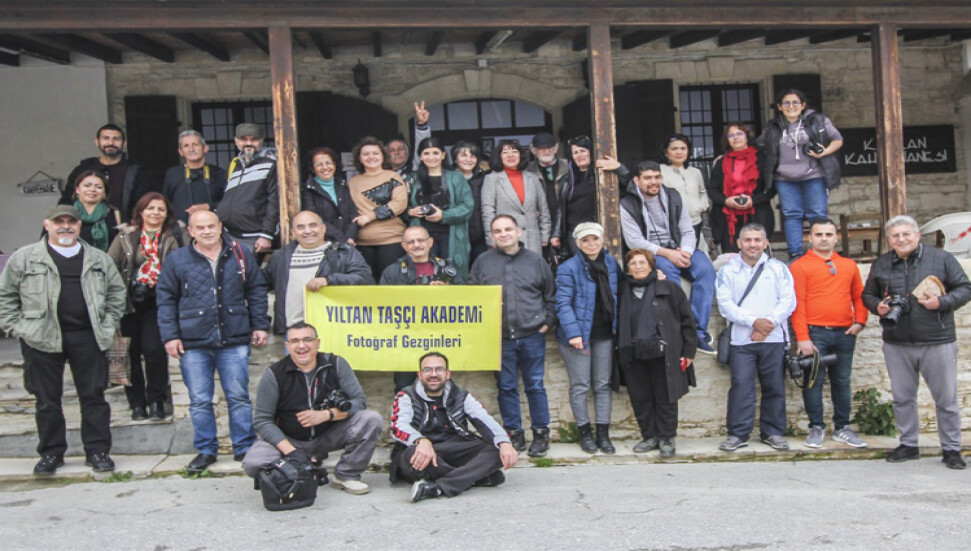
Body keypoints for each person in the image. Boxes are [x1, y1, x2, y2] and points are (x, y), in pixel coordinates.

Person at [0, 205, 126, 475]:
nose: (65, 226)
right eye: (59, 221)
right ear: (47, 224)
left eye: (71, 221)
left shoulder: (98, 258)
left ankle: (98, 451)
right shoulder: (25, 258)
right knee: (47, 400)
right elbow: (5, 296)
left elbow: (117, 294)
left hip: (88, 337)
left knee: (93, 397)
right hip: (41, 338)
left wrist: (107, 325)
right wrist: (17, 328)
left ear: (79, 226)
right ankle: (51, 453)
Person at [156, 210, 269, 474]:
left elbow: (256, 289)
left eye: (211, 226)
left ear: (220, 227)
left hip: (234, 336)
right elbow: (165, 299)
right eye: (200, 227)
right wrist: (170, 335)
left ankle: (244, 446)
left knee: (239, 396)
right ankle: (206, 449)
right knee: (199, 399)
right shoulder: (176, 259)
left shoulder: (240, 253)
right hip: (193, 340)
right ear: (191, 232)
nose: (206, 231)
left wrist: (260, 324)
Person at [862, 215, 971, 469]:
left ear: (917, 235)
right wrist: (877, 306)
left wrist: (940, 303)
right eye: (895, 236)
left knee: (946, 398)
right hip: (897, 341)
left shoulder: (941, 259)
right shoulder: (881, 263)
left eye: (906, 234)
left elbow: (965, 288)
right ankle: (909, 444)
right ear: (889, 239)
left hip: (937, 340)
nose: (901, 239)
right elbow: (868, 294)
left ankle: (952, 449)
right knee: (902, 397)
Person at [242, 322, 384, 494]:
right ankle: (301, 468)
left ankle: (346, 475)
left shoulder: (337, 364)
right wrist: (292, 452)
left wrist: (327, 415)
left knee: (371, 419)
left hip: (328, 435)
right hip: (289, 439)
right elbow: (262, 421)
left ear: (317, 343)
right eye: (295, 341)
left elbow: (359, 402)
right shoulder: (274, 374)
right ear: (288, 346)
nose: (302, 346)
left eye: (307, 340)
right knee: (253, 463)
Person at [469, 215, 555, 457]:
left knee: (535, 385)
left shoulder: (536, 261)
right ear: (492, 236)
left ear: (518, 232)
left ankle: (541, 433)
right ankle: (513, 434)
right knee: (506, 387)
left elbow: (550, 295)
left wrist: (547, 322)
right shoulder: (482, 262)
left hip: (532, 335)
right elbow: (473, 297)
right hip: (500, 338)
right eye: (498, 231)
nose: (503, 234)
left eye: (508, 229)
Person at [390, 351, 519, 502]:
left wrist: (505, 443)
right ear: (419, 375)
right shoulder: (406, 395)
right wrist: (421, 441)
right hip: (421, 451)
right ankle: (474, 477)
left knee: (498, 448)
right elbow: (398, 427)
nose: (433, 374)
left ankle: (438, 488)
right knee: (412, 454)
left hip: (455, 449)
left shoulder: (461, 396)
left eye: (439, 369)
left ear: (448, 374)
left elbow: (485, 420)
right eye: (427, 370)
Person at [620, 160, 716, 354]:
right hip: (653, 252)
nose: (653, 182)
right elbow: (634, 241)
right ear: (637, 181)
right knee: (669, 277)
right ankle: (678, 330)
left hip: (680, 247)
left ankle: (697, 331)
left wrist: (687, 252)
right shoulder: (627, 203)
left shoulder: (673, 196)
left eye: (657, 177)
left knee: (706, 270)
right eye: (647, 178)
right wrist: (668, 253)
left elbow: (688, 230)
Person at [716, 223, 796, 452]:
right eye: (748, 240)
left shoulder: (779, 269)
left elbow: (789, 301)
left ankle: (773, 432)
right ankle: (738, 434)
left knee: (774, 386)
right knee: (741, 386)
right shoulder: (727, 271)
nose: (752, 244)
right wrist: (753, 322)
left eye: (757, 240)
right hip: (742, 340)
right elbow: (725, 305)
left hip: (773, 338)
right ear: (739, 243)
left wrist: (768, 323)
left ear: (765, 243)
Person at [790, 218, 869, 449]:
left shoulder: (848, 265)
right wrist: (803, 337)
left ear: (836, 237)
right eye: (819, 234)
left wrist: (860, 321)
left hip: (845, 332)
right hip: (815, 333)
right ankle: (816, 426)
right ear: (810, 238)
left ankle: (842, 427)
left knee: (842, 381)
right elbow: (799, 303)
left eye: (828, 234)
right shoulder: (800, 266)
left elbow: (858, 295)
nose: (824, 239)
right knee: (813, 381)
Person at [107, 192, 185, 421]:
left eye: (160, 209)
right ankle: (136, 403)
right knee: (126, 353)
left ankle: (157, 400)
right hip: (128, 302)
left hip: (159, 302)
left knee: (154, 350)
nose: (155, 213)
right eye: (150, 208)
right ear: (140, 211)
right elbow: (110, 265)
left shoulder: (175, 235)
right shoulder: (125, 236)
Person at [617, 248, 697, 457]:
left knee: (665, 396)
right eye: (633, 264)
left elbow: (687, 321)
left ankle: (667, 437)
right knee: (640, 397)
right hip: (633, 353)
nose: (638, 267)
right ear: (628, 268)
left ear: (652, 265)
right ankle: (650, 436)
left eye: (642, 263)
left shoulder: (668, 288)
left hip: (663, 353)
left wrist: (688, 352)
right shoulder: (621, 290)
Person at [554, 222, 620, 454]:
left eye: (594, 239)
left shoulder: (611, 264)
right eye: (585, 240)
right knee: (581, 385)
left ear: (602, 239)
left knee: (602, 385)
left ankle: (603, 432)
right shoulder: (568, 268)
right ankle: (585, 433)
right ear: (577, 243)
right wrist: (573, 333)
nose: (591, 244)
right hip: (578, 336)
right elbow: (562, 303)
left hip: (604, 333)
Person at [757, 88, 843, 260]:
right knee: (791, 215)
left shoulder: (817, 121)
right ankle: (795, 254)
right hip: (785, 178)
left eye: (795, 102)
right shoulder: (773, 127)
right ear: (780, 107)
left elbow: (838, 139)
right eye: (786, 103)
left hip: (814, 176)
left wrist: (823, 152)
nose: (791, 106)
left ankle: (821, 253)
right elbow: (759, 146)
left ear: (803, 105)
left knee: (817, 214)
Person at [263, 210, 372, 338]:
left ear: (323, 228)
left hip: (335, 331)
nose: (308, 231)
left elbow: (365, 278)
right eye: (301, 227)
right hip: (295, 334)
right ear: (293, 233)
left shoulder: (344, 252)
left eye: (313, 225)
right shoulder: (280, 257)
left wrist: (329, 280)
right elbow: (259, 286)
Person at [380, 225, 463, 392]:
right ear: (404, 246)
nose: (416, 245)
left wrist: (449, 291)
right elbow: (381, 305)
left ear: (430, 242)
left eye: (421, 240)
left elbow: (467, 301)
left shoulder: (445, 268)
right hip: (405, 340)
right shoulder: (393, 271)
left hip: (440, 338)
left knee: (440, 385)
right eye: (411, 242)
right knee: (404, 387)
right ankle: (405, 418)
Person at [406, 136, 475, 280]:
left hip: (450, 235)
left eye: (435, 153)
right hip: (422, 237)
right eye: (426, 153)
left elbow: (468, 206)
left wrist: (444, 215)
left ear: (443, 155)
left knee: (452, 275)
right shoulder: (412, 179)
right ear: (420, 156)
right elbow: (399, 207)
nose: (431, 157)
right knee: (424, 276)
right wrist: (409, 211)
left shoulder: (456, 177)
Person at [550, 135, 631, 255]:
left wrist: (619, 168)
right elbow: (560, 209)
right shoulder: (567, 180)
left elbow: (630, 185)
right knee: (581, 268)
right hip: (575, 232)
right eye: (575, 152)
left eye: (583, 151)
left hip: (601, 230)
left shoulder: (604, 176)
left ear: (591, 153)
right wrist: (556, 233)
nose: (579, 155)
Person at [347, 136, 409, 281]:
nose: (371, 157)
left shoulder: (393, 177)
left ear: (383, 156)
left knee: (390, 286)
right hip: (362, 243)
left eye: (375, 153)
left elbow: (399, 204)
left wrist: (369, 217)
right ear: (360, 158)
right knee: (367, 286)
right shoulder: (352, 182)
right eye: (366, 154)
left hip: (391, 241)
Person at [707, 123, 775, 253]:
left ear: (747, 137)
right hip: (728, 219)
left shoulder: (762, 159)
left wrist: (753, 200)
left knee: (757, 256)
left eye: (739, 134)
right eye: (731, 135)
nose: (735, 138)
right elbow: (712, 190)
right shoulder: (721, 162)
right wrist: (726, 201)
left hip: (756, 214)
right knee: (732, 260)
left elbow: (771, 189)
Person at [61, 123, 151, 223]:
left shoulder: (135, 171)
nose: (111, 142)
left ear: (124, 143)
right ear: (97, 142)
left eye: (116, 139)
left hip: (122, 229)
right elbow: (67, 200)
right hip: (85, 228)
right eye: (106, 138)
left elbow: (143, 203)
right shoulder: (84, 168)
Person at [217, 123, 279, 257]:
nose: (249, 143)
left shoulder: (271, 164)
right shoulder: (235, 165)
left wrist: (267, 234)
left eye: (254, 139)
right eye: (244, 139)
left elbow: (275, 202)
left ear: (261, 141)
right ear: (236, 141)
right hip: (227, 234)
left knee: (247, 275)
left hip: (252, 237)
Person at [480, 139, 551, 254]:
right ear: (499, 157)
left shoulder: (532, 178)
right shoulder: (491, 179)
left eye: (514, 151)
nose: (510, 155)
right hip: (504, 240)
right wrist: (491, 238)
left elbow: (544, 210)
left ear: (521, 155)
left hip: (532, 240)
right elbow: (488, 212)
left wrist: (545, 235)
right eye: (505, 152)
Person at [162, 130, 226, 225]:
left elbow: (228, 203)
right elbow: (164, 202)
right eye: (186, 146)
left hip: (211, 228)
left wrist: (208, 206)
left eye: (195, 144)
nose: (191, 149)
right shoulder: (173, 174)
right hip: (180, 230)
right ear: (180, 152)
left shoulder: (219, 173)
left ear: (205, 148)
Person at [660, 134, 709, 251]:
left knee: (690, 253)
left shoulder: (695, 172)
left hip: (694, 221)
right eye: (674, 149)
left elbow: (702, 192)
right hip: (671, 224)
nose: (679, 152)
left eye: (683, 148)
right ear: (666, 152)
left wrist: (701, 206)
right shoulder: (659, 170)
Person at [300, 147, 357, 245]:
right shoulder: (308, 190)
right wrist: (343, 239)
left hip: (349, 242)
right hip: (323, 243)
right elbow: (316, 219)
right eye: (319, 164)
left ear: (334, 165)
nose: (325, 167)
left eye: (328, 163)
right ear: (313, 169)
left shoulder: (342, 185)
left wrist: (349, 236)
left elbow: (353, 214)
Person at [450, 141, 489, 266]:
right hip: (454, 235)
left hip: (479, 236)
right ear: (455, 159)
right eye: (463, 155)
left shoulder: (484, 178)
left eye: (472, 156)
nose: (468, 159)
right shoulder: (447, 178)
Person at [68, 171, 120, 252]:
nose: (92, 189)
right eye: (87, 186)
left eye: (98, 187)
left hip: (107, 261)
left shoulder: (114, 213)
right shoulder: (67, 213)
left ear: (104, 193)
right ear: (77, 190)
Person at [387, 101, 432, 177]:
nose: (396, 153)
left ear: (407, 152)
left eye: (401, 149)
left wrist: (422, 126)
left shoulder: (415, 169)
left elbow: (422, 149)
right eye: (391, 150)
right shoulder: (379, 174)